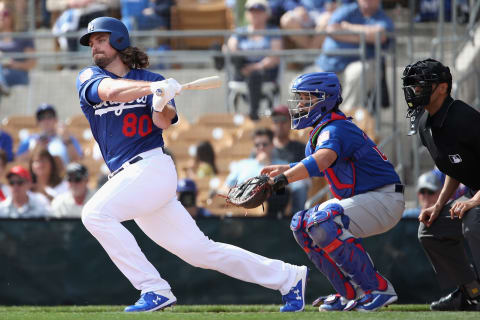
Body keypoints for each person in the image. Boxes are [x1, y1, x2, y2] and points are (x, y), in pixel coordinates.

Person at [76, 16, 307, 313]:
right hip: (129, 178)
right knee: (200, 251)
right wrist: (152, 89)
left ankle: (154, 289)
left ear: (119, 41)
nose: (95, 46)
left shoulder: (151, 80)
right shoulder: (90, 75)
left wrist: (161, 100)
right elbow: (109, 92)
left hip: (150, 168)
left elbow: (163, 121)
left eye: (101, 40)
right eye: (92, 42)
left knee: (94, 214)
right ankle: (288, 277)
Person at [261, 72, 405, 311]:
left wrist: (282, 179)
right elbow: (323, 166)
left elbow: (323, 159)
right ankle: (350, 293)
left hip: (384, 197)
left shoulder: (336, 127)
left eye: (307, 99)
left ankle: (376, 288)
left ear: (324, 99)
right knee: (300, 224)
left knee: (322, 221)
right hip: (367, 199)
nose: (300, 105)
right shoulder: (323, 130)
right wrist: (286, 168)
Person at [402, 58, 480, 311]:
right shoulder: (425, 123)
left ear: (442, 88)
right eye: (412, 85)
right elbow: (453, 166)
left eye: (421, 84)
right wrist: (438, 205)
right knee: (430, 230)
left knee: (473, 220)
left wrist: (472, 201)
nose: (414, 90)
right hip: (474, 198)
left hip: (477, 201)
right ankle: (472, 294)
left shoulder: (466, 119)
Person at [312, 0, 394, 111]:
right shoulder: (348, 9)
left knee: (358, 71)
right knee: (298, 82)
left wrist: (348, 27)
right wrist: (363, 38)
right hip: (329, 64)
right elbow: (332, 29)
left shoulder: (382, 17)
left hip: (361, 64)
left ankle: (344, 121)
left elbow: (380, 36)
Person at [225, 0, 282, 120]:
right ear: (247, 14)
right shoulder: (241, 31)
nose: (255, 14)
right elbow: (231, 47)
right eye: (252, 11)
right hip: (242, 69)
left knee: (255, 75)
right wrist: (243, 65)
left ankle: (253, 113)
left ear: (267, 14)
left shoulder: (273, 31)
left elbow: (275, 57)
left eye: (259, 11)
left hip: (265, 72)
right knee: (224, 49)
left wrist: (255, 67)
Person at [224, 127, 290, 218]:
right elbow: (227, 187)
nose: (261, 147)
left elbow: (288, 190)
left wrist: (266, 164)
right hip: (243, 212)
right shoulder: (242, 165)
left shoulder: (282, 165)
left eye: (264, 144)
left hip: (272, 213)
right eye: (257, 145)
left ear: (272, 145)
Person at [270, 105, 309, 214]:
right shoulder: (264, 146)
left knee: (300, 186)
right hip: (270, 182)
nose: (279, 124)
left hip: (293, 181)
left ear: (290, 123)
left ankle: (298, 220)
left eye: (283, 120)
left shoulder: (300, 147)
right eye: (276, 121)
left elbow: (307, 171)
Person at [16, 103, 83, 165]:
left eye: (49, 116)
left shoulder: (68, 137)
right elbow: (18, 161)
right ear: (37, 122)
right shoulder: (30, 139)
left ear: (56, 119)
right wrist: (34, 150)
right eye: (42, 118)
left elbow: (78, 160)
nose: (46, 120)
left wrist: (67, 141)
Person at [0, 1, 36, 96]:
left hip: (17, 73)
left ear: (12, 14)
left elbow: (32, 63)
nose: (1, 17)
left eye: (4, 13)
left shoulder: (23, 36)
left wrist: (13, 64)